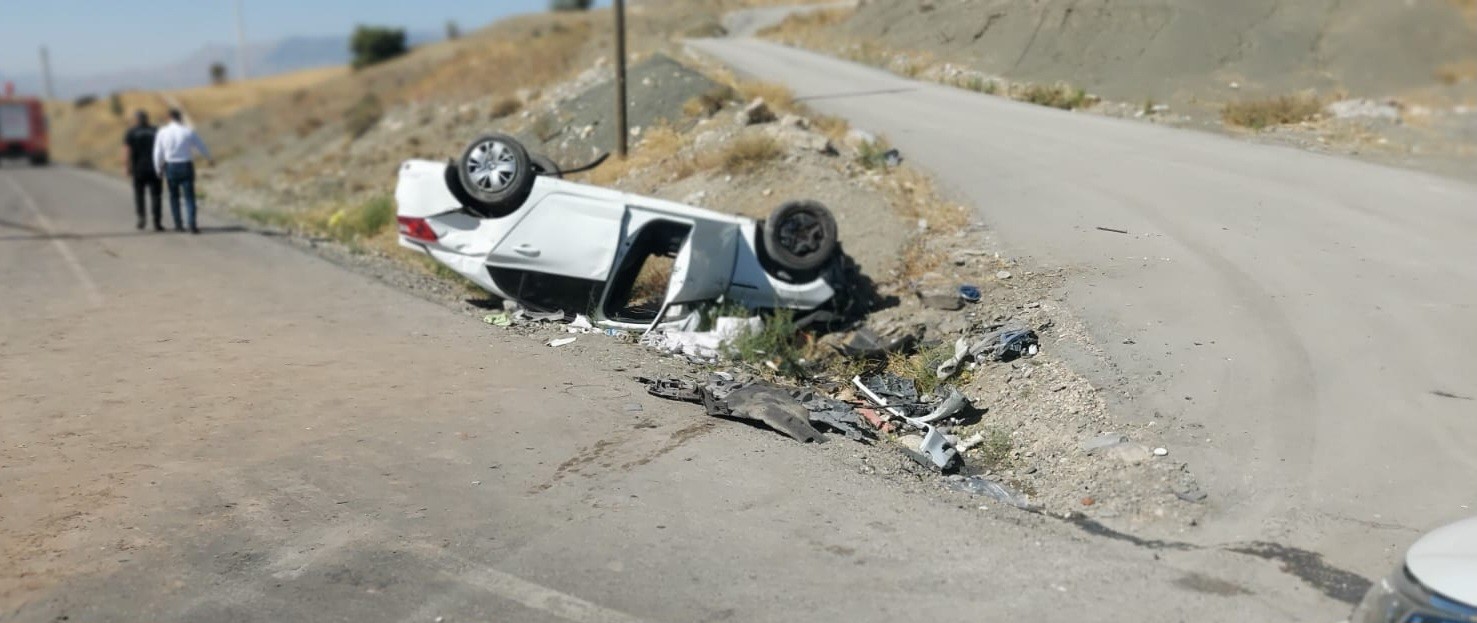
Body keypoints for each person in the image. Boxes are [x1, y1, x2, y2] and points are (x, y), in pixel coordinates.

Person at [151, 108, 214, 234]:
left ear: (169, 118)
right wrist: (209, 158)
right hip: (186, 165)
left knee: (174, 196)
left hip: (171, 166)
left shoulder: (163, 132)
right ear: (180, 118)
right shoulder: (187, 131)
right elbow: (200, 145)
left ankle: (178, 224)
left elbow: (158, 151)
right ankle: (192, 224)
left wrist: (157, 168)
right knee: (189, 196)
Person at [123, 111, 163, 231]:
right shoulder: (156, 131)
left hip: (138, 168)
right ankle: (157, 221)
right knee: (156, 195)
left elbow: (126, 150)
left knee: (139, 195)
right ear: (147, 119)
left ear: (136, 119)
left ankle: (141, 218)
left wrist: (126, 166)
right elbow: (162, 148)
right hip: (154, 168)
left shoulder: (132, 132)